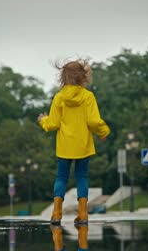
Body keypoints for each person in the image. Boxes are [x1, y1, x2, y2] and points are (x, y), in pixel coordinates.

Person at [38, 59, 110, 225]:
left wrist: (43, 120)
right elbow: (93, 121)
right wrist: (103, 131)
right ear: (83, 77)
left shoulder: (59, 98)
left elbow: (53, 124)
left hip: (64, 146)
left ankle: (56, 213)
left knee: (61, 177)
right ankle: (83, 214)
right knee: (82, 177)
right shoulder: (88, 97)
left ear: (64, 77)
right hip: (83, 145)